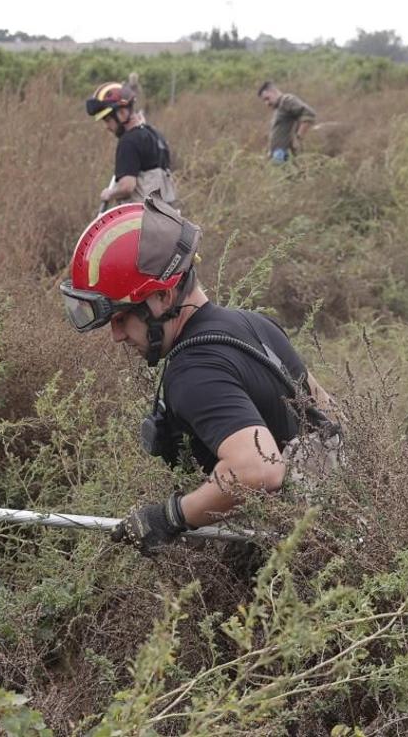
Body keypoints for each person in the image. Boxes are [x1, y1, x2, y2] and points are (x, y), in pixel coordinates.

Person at [59, 199, 338, 555]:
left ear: (162, 296)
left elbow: (259, 470)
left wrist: (169, 517)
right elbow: (328, 410)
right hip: (329, 533)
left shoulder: (192, 372)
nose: (116, 335)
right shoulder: (254, 323)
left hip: (292, 564)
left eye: (121, 318)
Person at [86, 82, 177, 209]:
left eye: (108, 120)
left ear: (122, 113)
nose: (107, 127)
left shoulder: (128, 141)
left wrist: (109, 194)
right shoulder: (155, 135)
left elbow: (127, 187)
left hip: (142, 221)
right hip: (167, 219)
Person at [257, 81, 316, 162]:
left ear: (273, 91)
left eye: (267, 98)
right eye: (264, 101)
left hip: (285, 153)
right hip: (277, 153)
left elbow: (309, 114)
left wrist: (299, 137)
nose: (267, 103)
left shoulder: (287, 100)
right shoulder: (278, 107)